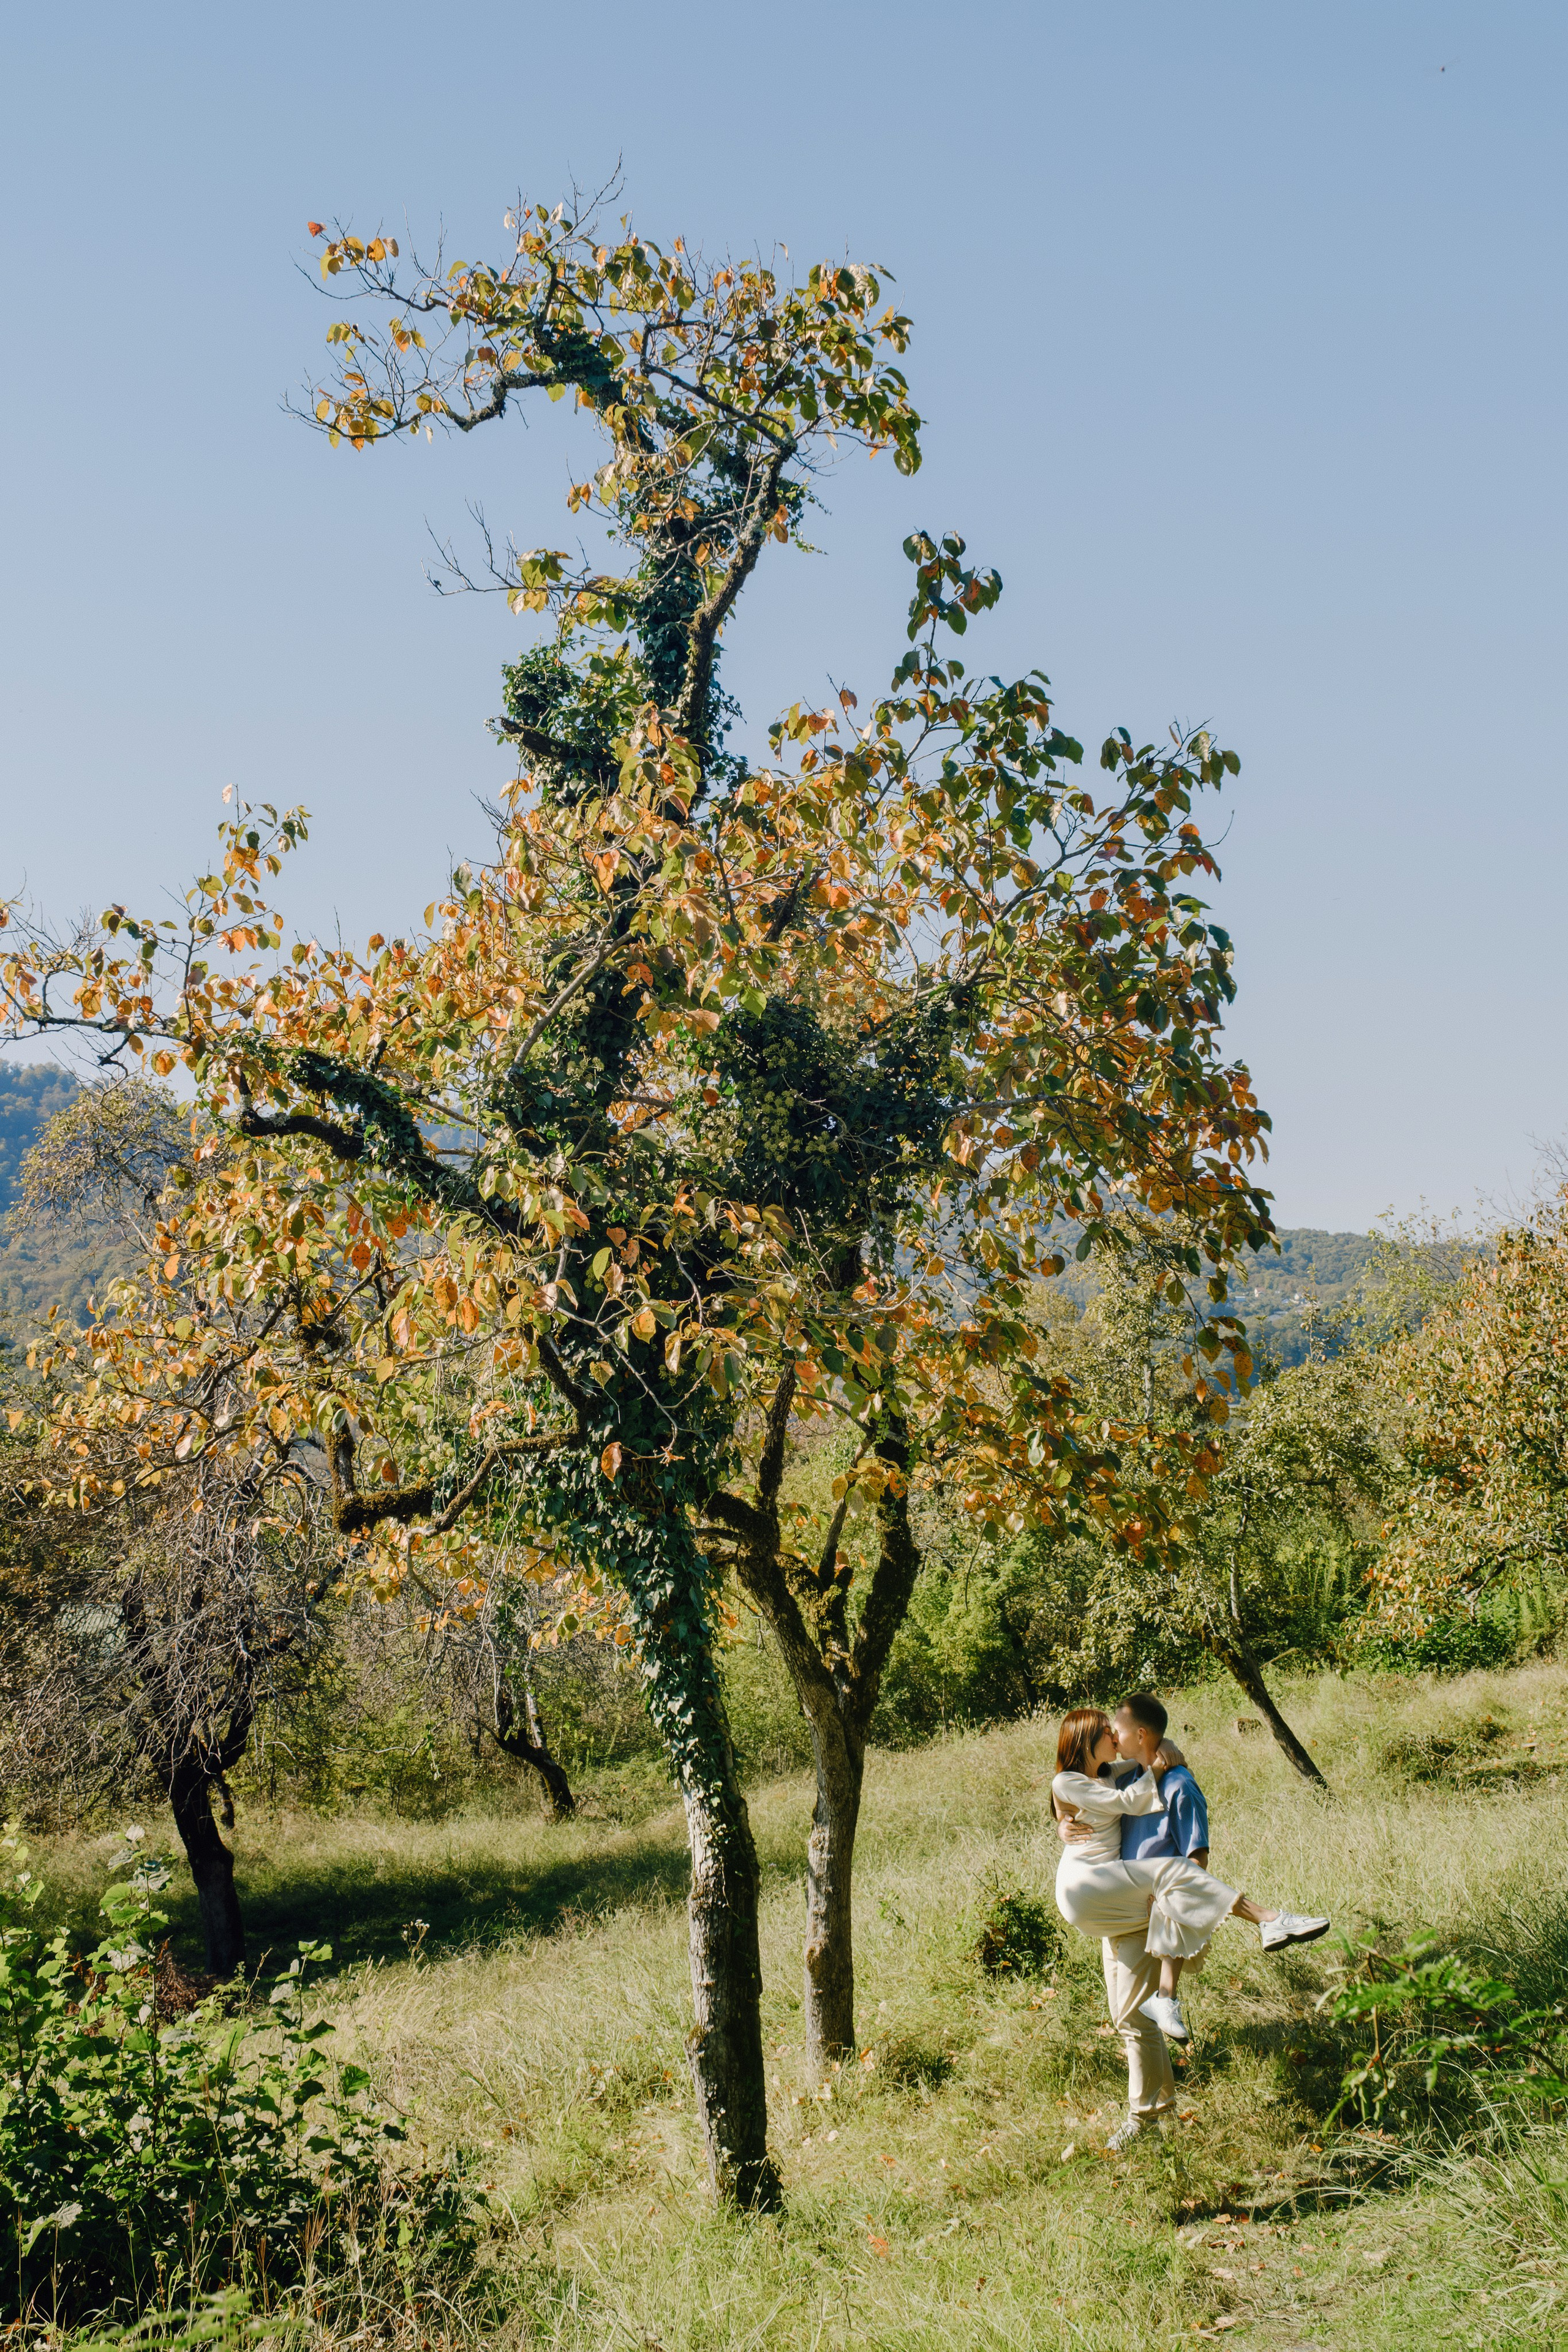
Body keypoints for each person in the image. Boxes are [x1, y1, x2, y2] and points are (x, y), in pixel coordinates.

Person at [1051, 1703, 1329, 2152]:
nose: (1114, 1736)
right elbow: (1101, 1795)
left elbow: (1151, 1757)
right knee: (1171, 1873)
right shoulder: (1094, 1780)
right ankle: (1268, 1919)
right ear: (1087, 1740)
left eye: (1116, 1729)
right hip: (1093, 1890)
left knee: (1131, 2018)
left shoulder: (1129, 1775)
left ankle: (1150, 2115)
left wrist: (1168, 1749)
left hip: (1119, 1902)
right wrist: (1063, 1824)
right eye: (1106, 1731)